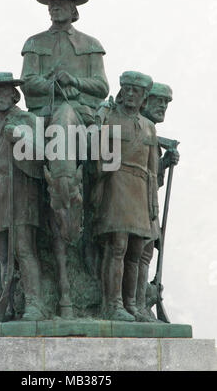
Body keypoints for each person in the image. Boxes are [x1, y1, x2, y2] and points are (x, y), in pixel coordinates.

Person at [20, 0, 109, 210]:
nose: (54, 7)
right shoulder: (34, 43)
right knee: (15, 148)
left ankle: (100, 206)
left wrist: (74, 82)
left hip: (82, 113)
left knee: (111, 153)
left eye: (61, 3)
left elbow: (102, 86)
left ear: (73, 9)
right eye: (52, 4)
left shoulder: (91, 45)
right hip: (40, 115)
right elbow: (27, 82)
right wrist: (55, 87)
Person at [0, 72, 44, 321]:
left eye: (1, 92)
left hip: (22, 194)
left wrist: (19, 136)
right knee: (3, 257)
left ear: (14, 95)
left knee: (25, 251)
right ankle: (7, 305)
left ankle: (34, 304)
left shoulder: (27, 120)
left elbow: (41, 154)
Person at [94, 71, 159, 321]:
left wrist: (152, 202)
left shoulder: (149, 128)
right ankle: (113, 304)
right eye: (127, 89)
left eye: (136, 91)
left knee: (135, 250)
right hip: (117, 184)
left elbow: (152, 171)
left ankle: (132, 304)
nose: (131, 94)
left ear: (144, 97)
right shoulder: (109, 118)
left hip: (140, 189)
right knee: (118, 247)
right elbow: (100, 157)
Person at [136, 82, 179, 321]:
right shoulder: (141, 132)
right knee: (137, 255)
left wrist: (165, 162)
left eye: (166, 102)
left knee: (145, 255)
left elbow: (154, 179)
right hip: (135, 205)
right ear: (145, 101)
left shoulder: (151, 135)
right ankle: (136, 304)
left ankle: (144, 301)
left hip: (148, 205)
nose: (162, 106)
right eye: (158, 101)